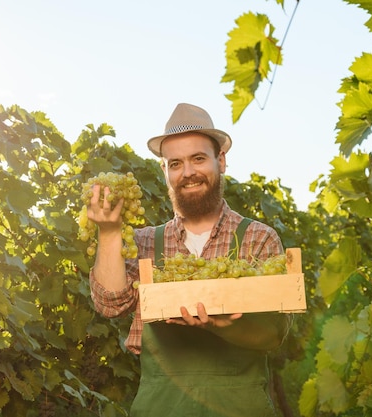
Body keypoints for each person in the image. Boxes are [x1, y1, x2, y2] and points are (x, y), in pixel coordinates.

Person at [87, 102, 292, 417]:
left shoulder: (258, 239)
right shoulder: (144, 244)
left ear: (220, 161)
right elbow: (109, 303)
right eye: (176, 163)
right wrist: (110, 233)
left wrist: (220, 325)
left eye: (198, 159)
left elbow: (273, 334)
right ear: (165, 171)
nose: (188, 173)